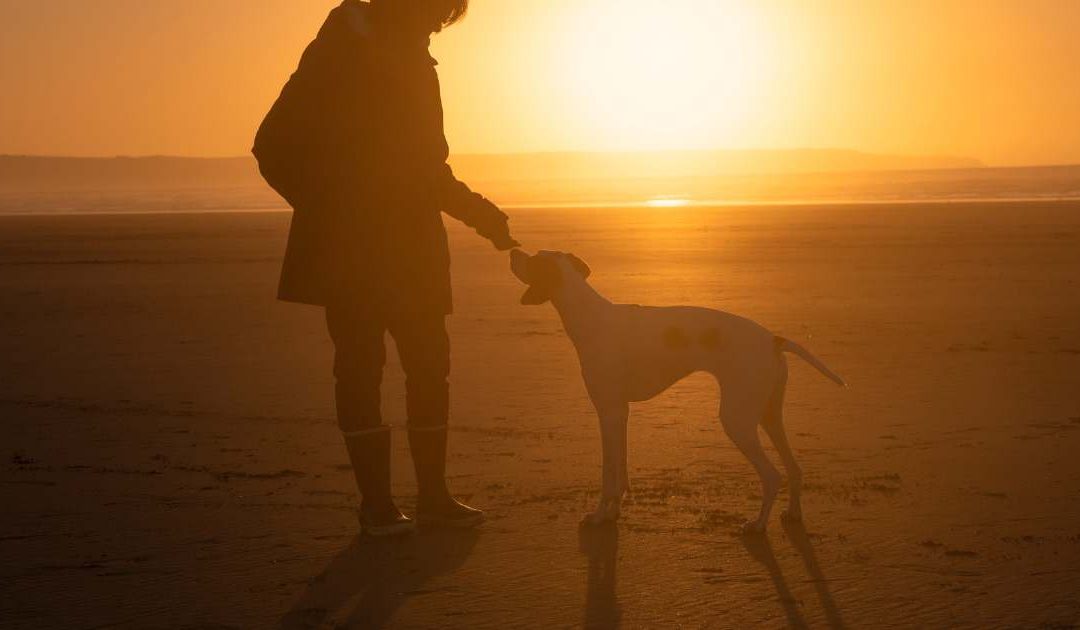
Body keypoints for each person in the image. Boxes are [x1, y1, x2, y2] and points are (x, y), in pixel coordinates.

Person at [253, 0, 519, 537]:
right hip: (350, 250)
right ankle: (377, 507)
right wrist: (327, 210)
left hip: (411, 246)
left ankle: (432, 497)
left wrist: (481, 215)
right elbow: (271, 145)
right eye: (439, 11)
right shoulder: (342, 49)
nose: (440, 24)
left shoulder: (413, 55)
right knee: (361, 368)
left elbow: (424, 171)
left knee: (427, 364)